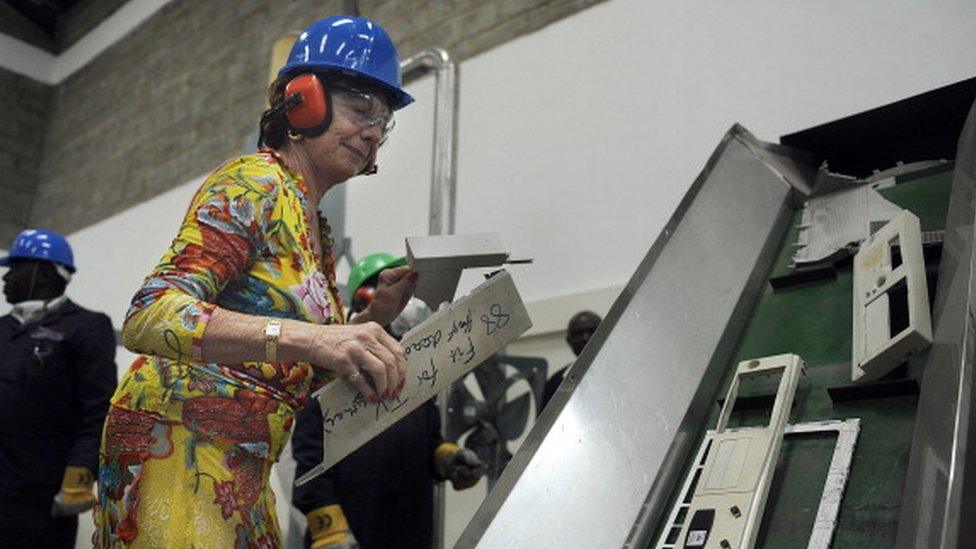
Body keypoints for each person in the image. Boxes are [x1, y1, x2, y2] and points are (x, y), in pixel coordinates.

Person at [95, 16, 420, 547]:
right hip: (179, 441)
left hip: (242, 458)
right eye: (361, 107)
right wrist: (315, 335)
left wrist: (369, 321)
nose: (372, 131)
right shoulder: (255, 182)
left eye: (382, 121)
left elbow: (299, 372)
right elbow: (150, 314)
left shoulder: (314, 224)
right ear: (304, 101)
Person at [291, 253, 485, 549]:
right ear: (363, 298)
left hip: (410, 528)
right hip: (351, 530)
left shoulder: (413, 368)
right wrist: (328, 530)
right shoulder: (331, 372)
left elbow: (429, 438)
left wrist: (446, 457)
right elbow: (309, 460)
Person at [0, 229, 117, 548]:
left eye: (15, 269)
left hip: (39, 499)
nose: (6, 278)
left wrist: (79, 477)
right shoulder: (2, 329)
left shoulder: (87, 327)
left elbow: (98, 410)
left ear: (41, 271)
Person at [540, 310, 602, 410]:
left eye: (592, 331)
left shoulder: (621, 372)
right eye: (578, 333)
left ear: (605, 335)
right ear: (569, 341)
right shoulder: (556, 382)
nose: (585, 337)